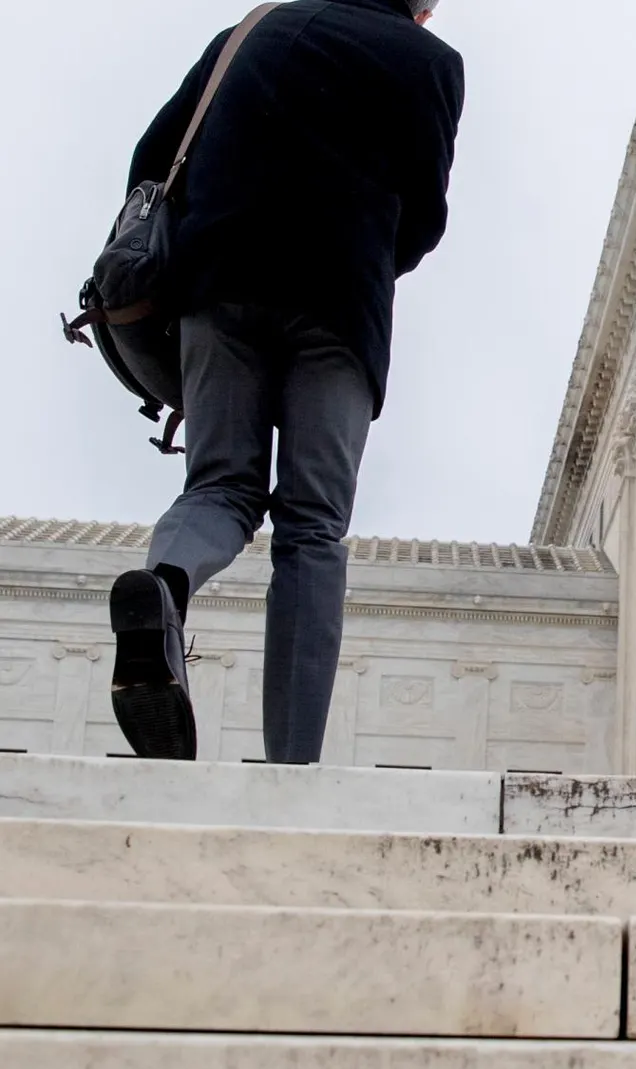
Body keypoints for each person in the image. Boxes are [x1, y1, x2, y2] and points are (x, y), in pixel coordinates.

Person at [107, 0, 464, 764]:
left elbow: (152, 155)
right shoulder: (430, 62)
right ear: (425, 7)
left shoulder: (254, 28)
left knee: (220, 486)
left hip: (218, 289)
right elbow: (426, 217)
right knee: (311, 527)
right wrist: (361, 251)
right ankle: (292, 764)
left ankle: (162, 591)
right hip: (338, 311)